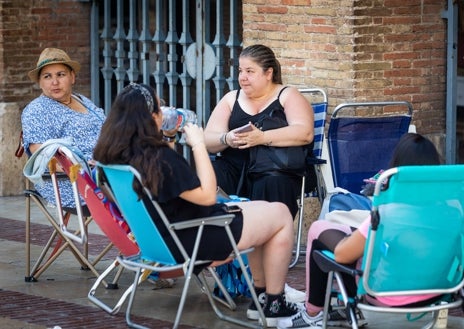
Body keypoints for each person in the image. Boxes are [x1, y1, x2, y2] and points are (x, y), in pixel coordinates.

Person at [92, 83, 301, 327]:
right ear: (150, 117)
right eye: (160, 108)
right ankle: (273, 303)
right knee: (281, 215)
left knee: (261, 208)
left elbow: (166, 180)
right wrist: (199, 145)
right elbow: (207, 195)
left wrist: (167, 137)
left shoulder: (113, 156)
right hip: (196, 236)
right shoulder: (158, 158)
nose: (164, 112)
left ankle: (260, 298)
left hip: (158, 241)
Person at [277, 133, 442, 329]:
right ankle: (340, 309)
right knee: (347, 234)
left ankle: (313, 312)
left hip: (384, 293)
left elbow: (342, 254)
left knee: (319, 231)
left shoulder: (386, 213)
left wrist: (353, 238)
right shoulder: (451, 213)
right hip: (436, 291)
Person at [204, 44, 314, 219]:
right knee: (208, 172)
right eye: (240, 71)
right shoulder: (231, 98)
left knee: (273, 181)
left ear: (268, 73)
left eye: (250, 71)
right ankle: (213, 237)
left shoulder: (287, 95)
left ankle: (268, 238)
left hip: (274, 169)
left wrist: (262, 137)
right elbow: (208, 140)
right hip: (234, 168)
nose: (242, 78)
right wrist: (226, 138)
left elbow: (304, 132)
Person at [21, 47, 106, 211]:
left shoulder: (81, 100)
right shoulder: (36, 111)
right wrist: (84, 170)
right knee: (142, 193)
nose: (55, 82)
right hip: (72, 184)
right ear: (40, 82)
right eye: (47, 77)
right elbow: (41, 157)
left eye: (61, 75)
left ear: (72, 77)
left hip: (106, 173)